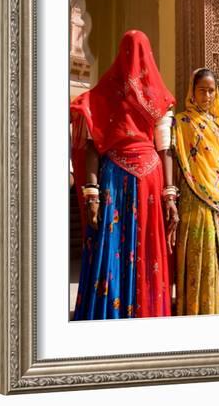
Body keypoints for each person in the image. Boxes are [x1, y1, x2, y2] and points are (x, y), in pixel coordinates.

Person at [70, 29, 178, 320]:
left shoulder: (141, 96)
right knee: (116, 250)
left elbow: (164, 146)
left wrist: (170, 195)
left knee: (129, 251)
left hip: (128, 181)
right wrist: (91, 193)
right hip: (130, 181)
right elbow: (163, 148)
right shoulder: (118, 94)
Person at [171, 68, 219, 315]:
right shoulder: (181, 123)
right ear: (192, 91)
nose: (208, 95)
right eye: (202, 90)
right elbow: (178, 163)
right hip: (194, 199)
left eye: (212, 91)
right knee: (199, 256)